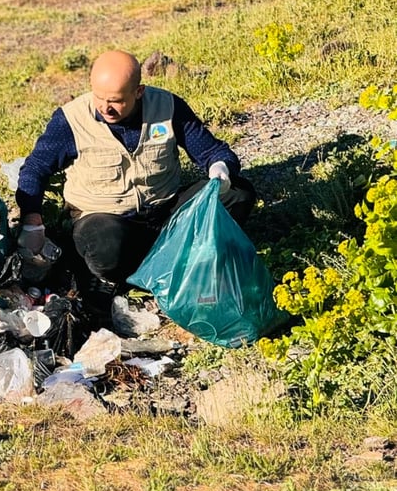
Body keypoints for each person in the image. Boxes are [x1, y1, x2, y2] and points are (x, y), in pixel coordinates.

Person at [15, 49, 255, 313]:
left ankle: (167, 263)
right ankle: (164, 265)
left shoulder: (168, 107)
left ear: (139, 92)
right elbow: (35, 169)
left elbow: (213, 152)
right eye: (99, 98)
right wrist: (31, 220)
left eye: (116, 101)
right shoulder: (70, 120)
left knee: (239, 193)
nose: (105, 108)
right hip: (107, 220)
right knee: (104, 244)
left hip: (167, 214)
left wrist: (220, 168)